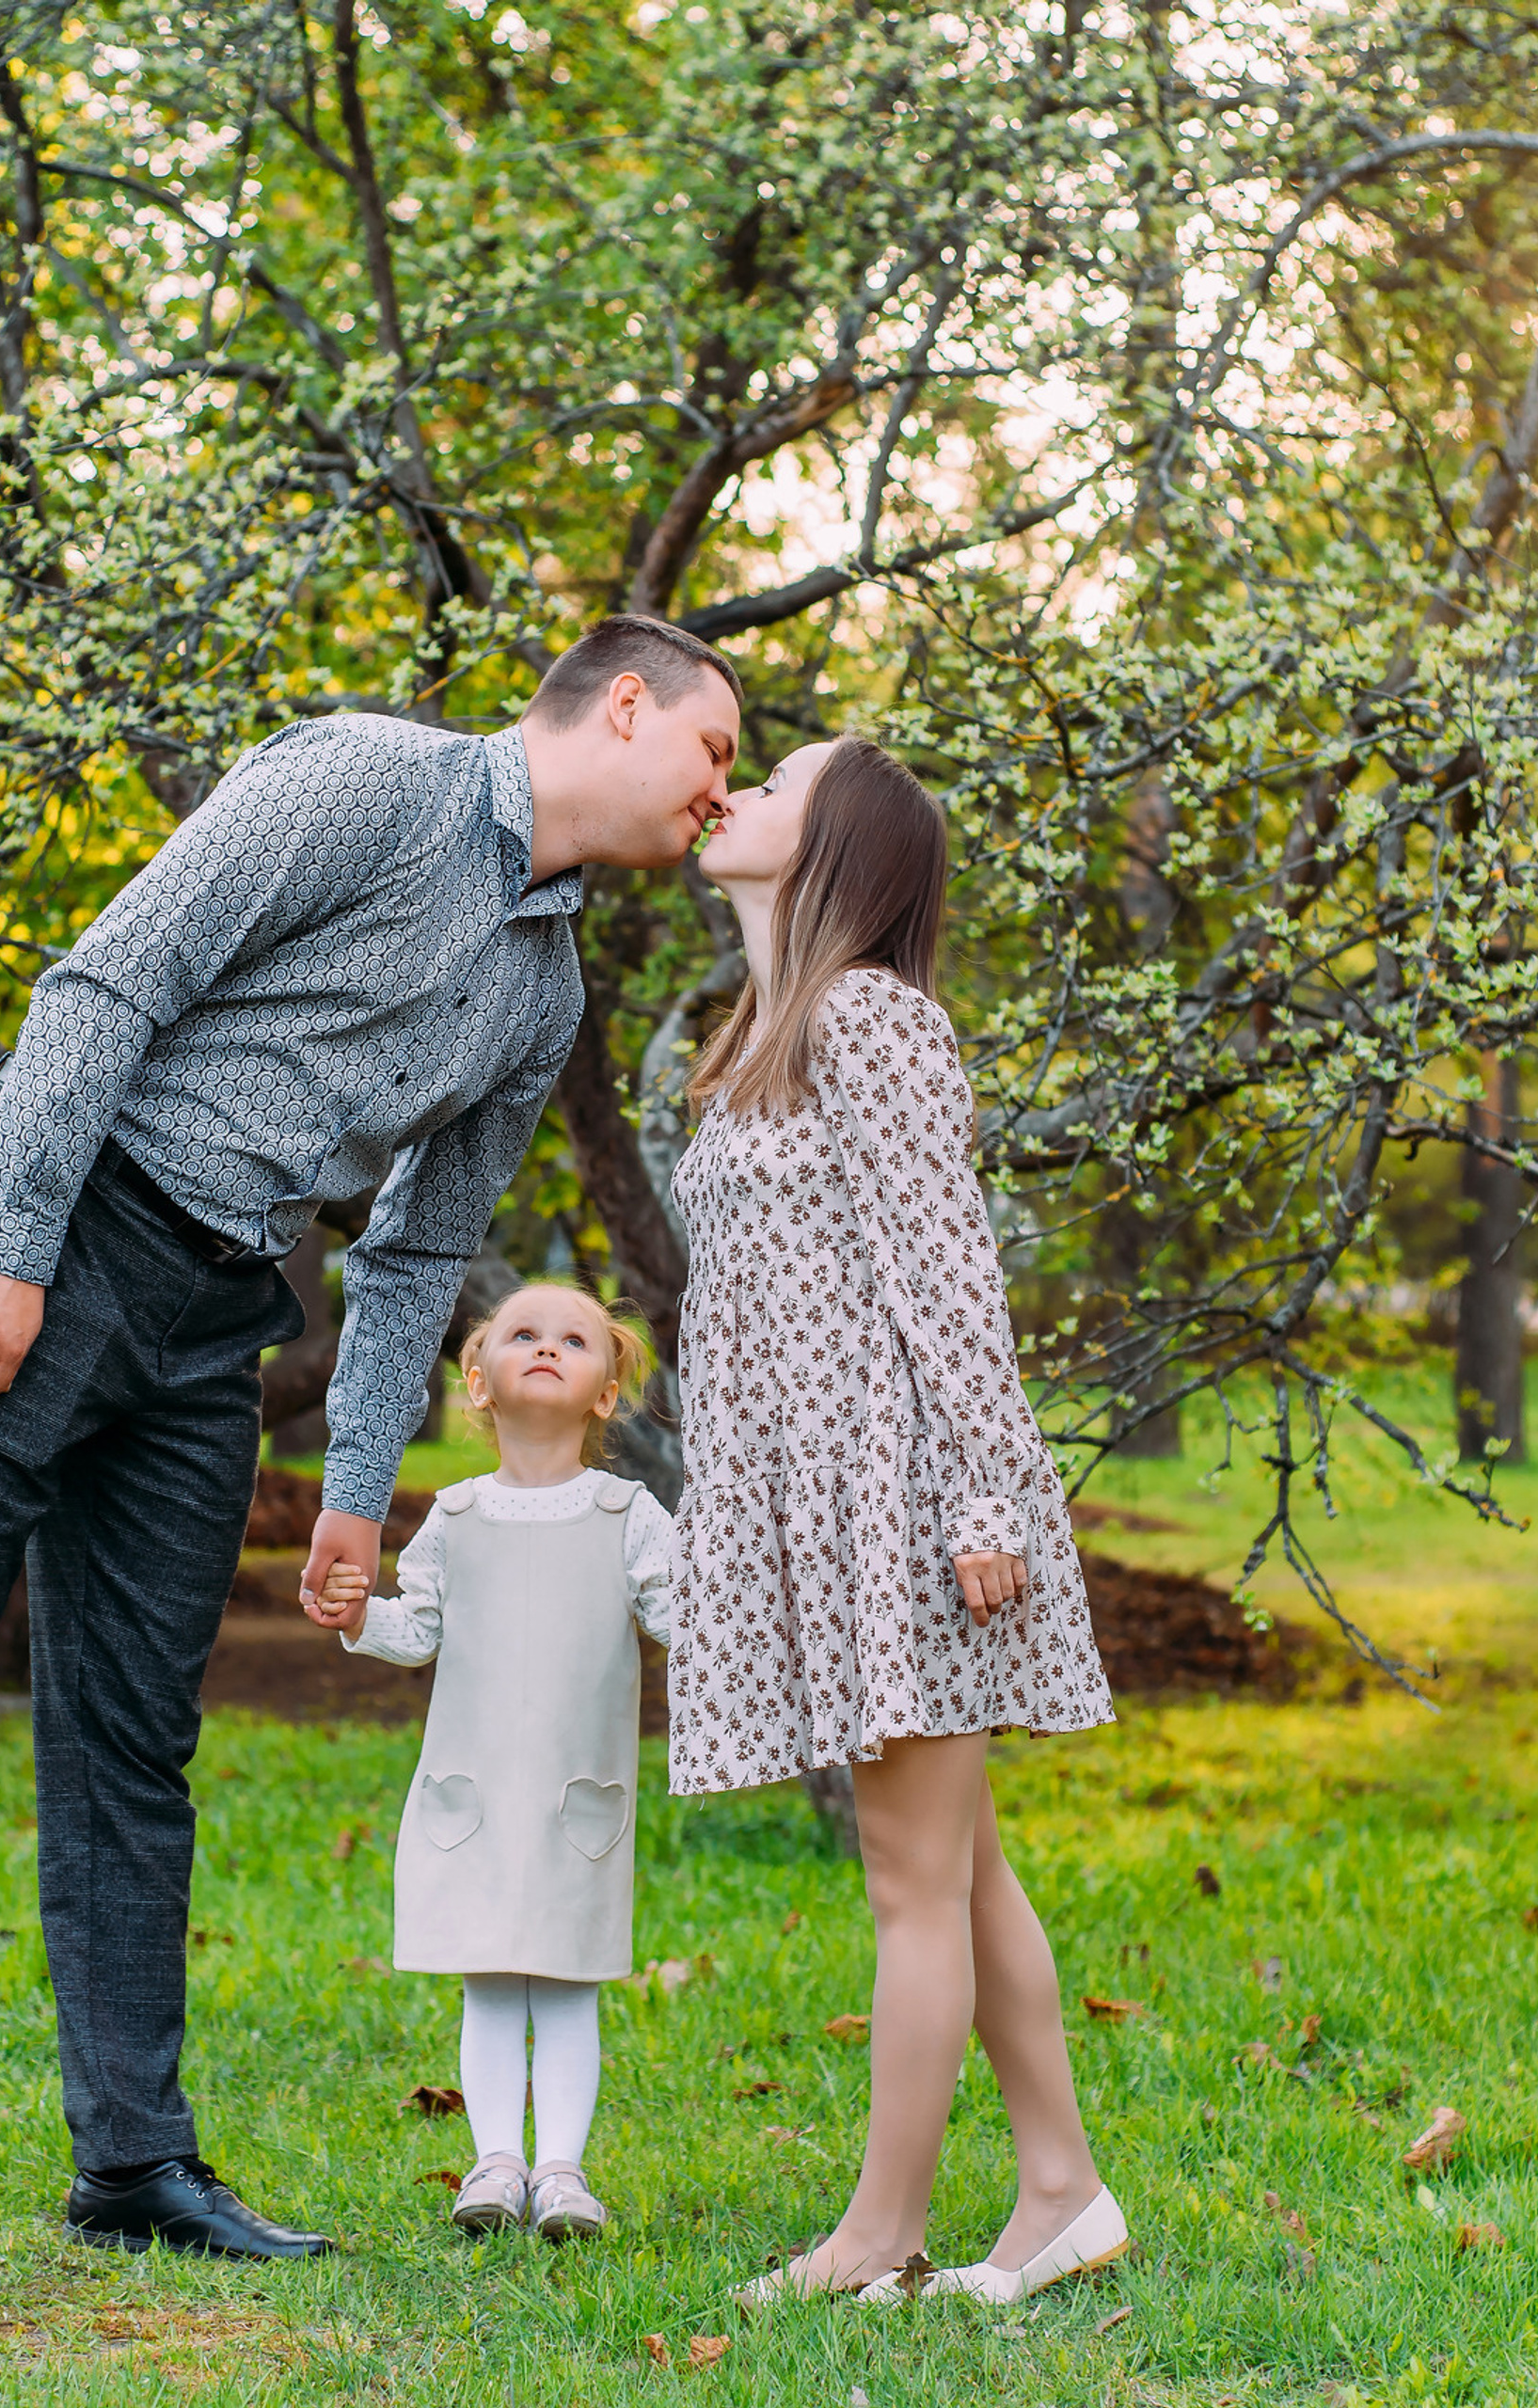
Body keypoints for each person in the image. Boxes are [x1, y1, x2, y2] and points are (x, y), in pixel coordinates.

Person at [0, 618, 740, 2311]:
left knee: (134, 1742)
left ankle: (129, 2162)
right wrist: (18, 1240)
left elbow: (419, 1251)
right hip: (50, 1233)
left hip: (214, 1318)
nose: (722, 791)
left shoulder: (545, 986)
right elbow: (108, 982)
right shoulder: (365, 781)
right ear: (623, 705)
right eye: (713, 750)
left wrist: (353, 1486)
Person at [668, 736, 1125, 2307]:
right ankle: (1061, 2188)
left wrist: (989, 1495)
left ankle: (883, 2233)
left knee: (910, 1878)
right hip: (824, 1499)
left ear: (839, 849)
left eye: (774, 784)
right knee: (964, 1867)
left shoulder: (875, 1025)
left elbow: (950, 1282)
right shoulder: (767, 1034)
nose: (735, 794)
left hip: (912, 1502)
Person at [307, 1281, 672, 2243]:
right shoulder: (455, 1516)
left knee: (564, 1981)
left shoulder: (626, 1512)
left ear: (604, 1392)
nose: (546, 1347)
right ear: (478, 1381)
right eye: (522, 1334)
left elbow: (681, 1616)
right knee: (487, 1979)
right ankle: (494, 2160)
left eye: (573, 1339)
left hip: (573, 1798)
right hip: (473, 1791)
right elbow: (414, 1626)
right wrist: (356, 1618)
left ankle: (561, 2169)